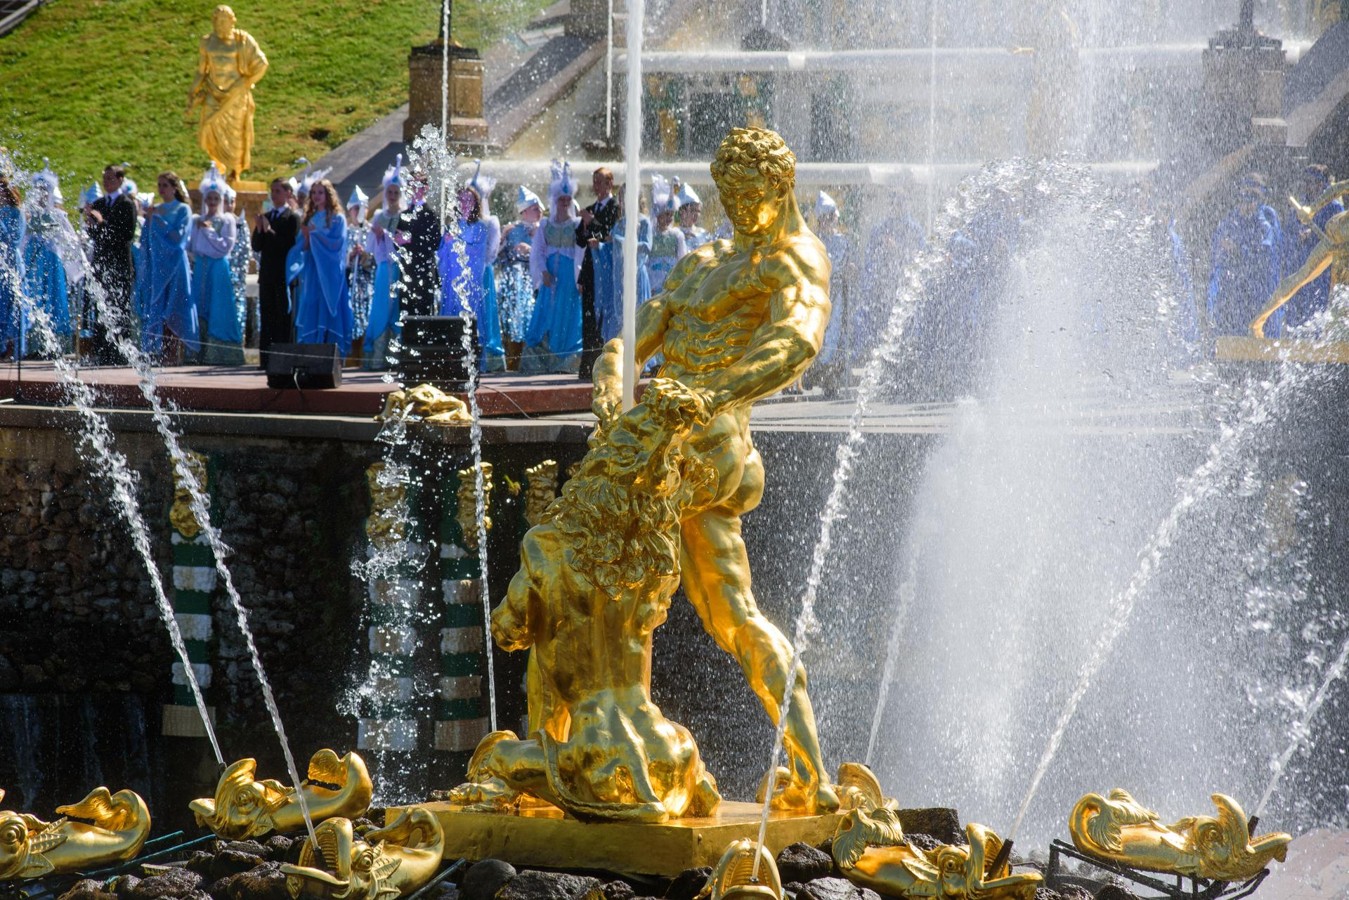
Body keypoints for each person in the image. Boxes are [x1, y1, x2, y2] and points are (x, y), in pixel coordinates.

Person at [589, 127, 837, 812]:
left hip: (713, 441)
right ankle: (811, 772)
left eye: (750, 195)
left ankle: (613, 737)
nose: (738, 208)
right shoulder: (704, 259)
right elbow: (638, 331)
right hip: (663, 432)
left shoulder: (794, 257)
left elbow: (795, 342)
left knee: (620, 562)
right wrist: (611, 377)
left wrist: (709, 393)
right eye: (728, 195)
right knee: (730, 614)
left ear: (780, 189)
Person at [185, 4, 268, 180]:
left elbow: (262, 64)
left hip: (236, 97)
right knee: (209, 131)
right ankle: (217, 167)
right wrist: (192, 92)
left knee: (236, 134)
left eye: (225, 21)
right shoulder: (207, 42)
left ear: (232, 22)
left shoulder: (242, 41)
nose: (221, 25)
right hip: (214, 93)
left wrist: (246, 82)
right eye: (218, 21)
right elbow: (202, 71)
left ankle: (234, 172)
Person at [525, 163, 584, 373]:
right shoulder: (545, 225)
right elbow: (538, 251)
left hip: (569, 277)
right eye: (561, 200)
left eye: (568, 200)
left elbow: (580, 252)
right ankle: (541, 357)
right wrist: (543, 272)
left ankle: (566, 359)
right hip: (551, 276)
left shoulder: (577, 224)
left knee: (567, 313)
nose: (565, 203)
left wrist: (579, 278)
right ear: (555, 200)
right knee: (546, 312)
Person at [1207, 174, 1282, 337]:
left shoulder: (1267, 217)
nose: (1248, 201)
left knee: (1261, 337)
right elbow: (1218, 249)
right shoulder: (1231, 219)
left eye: (1253, 196)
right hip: (1235, 292)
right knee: (1231, 334)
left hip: (1260, 292)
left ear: (1262, 197)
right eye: (1244, 195)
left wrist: (1239, 249)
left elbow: (1266, 251)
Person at [438, 185, 503, 371]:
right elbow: (441, 255)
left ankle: (475, 362)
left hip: (471, 284)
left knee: (472, 320)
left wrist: (456, 243)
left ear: (476, 203)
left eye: (469, 200)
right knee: (452, 318)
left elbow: (477, 254)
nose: (465, 203)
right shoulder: (452, 226)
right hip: (453, 284)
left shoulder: (481, 227)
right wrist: (447, 243)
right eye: (462, 200)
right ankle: (451, 362)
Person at [21, 162, 84, 354]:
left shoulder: (57, 215)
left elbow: (70, 239)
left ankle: (56, 345)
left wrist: (77, 264)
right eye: (38, 190)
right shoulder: (30, 215)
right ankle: (35, 345)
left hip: (52, 259)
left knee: (54, 298)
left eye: (44, 191)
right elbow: (23, 239)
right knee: (34, 298)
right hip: (34, 260)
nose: (41, 195)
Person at [1278, 164, 1344, 333]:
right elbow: (1287, 236)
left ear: (1323, 184)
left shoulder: (1334, 208)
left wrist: (1313, 235)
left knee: (1318, 316)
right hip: (1299, 270)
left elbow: (1338, 238)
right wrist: (1297, 237)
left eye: (1312, 182)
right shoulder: (1300, 208)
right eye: (1305, 182)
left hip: (1322, 274)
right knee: (1295, 319)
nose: (1308, 186)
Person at [84, 164, 138, 363]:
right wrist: (91, 223)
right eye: (105, 179)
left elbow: (126, 234)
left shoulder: (126, 204)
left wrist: (101, 222)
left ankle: (120, 352)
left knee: (119, 307)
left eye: (111, 179)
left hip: (119, 264)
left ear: (120, 180)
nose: (107, 183)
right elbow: (95, 236)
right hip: (102, 263)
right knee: (101, 307)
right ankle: (102, 350)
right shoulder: (99, 203)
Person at [142, 172, 196, 362]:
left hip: (175, 265)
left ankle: (176, 352)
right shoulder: (155, 209)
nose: (161, 189)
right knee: (159, 306)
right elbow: (146, 240)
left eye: (165, 185)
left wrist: (156, 220)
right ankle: (160, 350)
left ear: (174, 188)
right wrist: (148, 220)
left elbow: (178, 238)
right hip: (159, 266)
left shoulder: (183, 210)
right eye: (159, 185)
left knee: (176, 304)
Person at [295, 178, 352, 353]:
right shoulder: (310, 218)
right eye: (314, 193)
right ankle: (312, 349)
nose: (316, 196)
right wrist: (306, 238)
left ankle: (331, 351)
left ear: (328, 195)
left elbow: (337, 244)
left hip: (330, 273)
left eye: (320, 192)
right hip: (313, 271)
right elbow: (303, 248)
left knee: (329, 308)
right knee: (313, 304)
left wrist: (315, 235)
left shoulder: (338, 219)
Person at [190, 173, 242, 364]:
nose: (212, 202)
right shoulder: (198, 219)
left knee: (219, 307)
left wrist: (208, 230)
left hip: (218, 268)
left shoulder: (226, 220)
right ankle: (198, 352)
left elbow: (225, 247)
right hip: (201, 267)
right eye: (209, 198)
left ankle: (221, 353)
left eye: (216, 199)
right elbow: (192, 246)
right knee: (199, 306)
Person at [576, 165, 620, 379]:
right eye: (594, 181)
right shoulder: (592, 207)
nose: (596, 186)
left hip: (606, 269)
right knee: (588, 316)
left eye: (599, 181)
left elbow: (607, 232)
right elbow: (580, 240)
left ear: (610, 183)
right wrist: (586, 225)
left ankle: (603, 364)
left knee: (604, 316)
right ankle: (587, 364)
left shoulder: (615, 207)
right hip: (590, 269)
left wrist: (591, 222)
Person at [252, 177, 299, 367]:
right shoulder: (268, 216)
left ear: (288, 193)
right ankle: (266, 359)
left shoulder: (292, 218)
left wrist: (269, 230)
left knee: (282, 317)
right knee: (267, 317)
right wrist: (259, 229)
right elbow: (257, 246)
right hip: (267, 275)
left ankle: (282, 359)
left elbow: (288, 245)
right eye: (272, 191)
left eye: (278, 191)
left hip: (283, 275)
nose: (274, 195)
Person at [496, 186, 543, 371]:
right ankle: (512, 360)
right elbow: (497, 257)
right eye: (535, 208)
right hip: (514, 284)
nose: (539, 211)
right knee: (512, 321)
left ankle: (528, 361)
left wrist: (530, 250)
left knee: (531, 320)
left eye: (539, 208)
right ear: (524, 212)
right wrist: (501, 238)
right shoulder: (512, 229)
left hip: (536, 282)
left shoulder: (544, 229)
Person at [364, 162, 404, 370]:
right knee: (380, 308)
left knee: (396, 309)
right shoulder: (379, 216)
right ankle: (377, 358)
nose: (392, 195)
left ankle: (394, 357)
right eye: (389, 191)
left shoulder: (404, 215)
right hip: (382, 268)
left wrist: (387, 236)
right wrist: (376, 234)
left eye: (396, 192)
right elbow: (370, 247)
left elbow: (404, 244)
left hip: (397, 269)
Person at [606, 194, 651, 343]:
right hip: (621, 277)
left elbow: (646, 246)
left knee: (639, 319)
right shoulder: (619, 224)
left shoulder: (644, 221)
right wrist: (598, 246)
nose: (623, 201)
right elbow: (610, 247)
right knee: (621, 318)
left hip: (637, 275)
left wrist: (621, 240)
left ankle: (641, 360)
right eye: (621, 198)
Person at [399, 173, 442, 317]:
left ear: (425, 188)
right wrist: (397, 241)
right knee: (406, 310)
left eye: (417, 185)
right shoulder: (403, 214)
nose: (413, 188)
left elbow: (435, 243)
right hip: (407, 270)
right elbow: (398, 243)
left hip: (424, 270)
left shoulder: (430, 214)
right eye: (411, 185)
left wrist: (411, 239)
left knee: (423, 311)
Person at [223, 185, 253, 346]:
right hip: (221, 271)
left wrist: (235, 269)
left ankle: (237, 342)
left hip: (236, 274)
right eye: (226, 201)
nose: (229, 204)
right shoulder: (217, 221)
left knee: (237, 307)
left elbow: (244, 249)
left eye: (232, 201)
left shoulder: (241, 224)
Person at [345, 185, 373, 351]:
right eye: (355, 208)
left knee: (367, 317)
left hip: (368, 285)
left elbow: (377, 258)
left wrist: (365, 256)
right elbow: (342, 258)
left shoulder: (372, 231)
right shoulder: (347, 232)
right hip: (350, 285)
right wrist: (351, 255)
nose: (358, 211)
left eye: (361, 208)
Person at [648, 175, 687, 294]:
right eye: (666, 215)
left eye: (671, 215)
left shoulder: (677, 236)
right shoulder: (651, 235)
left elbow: (682, 259)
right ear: (658, 215)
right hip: (653, 282)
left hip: (671, 281)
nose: (669, 218)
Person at [0, 173, 24, 359]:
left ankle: (9, 347)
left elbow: (14, 240)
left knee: (9, 305)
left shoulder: (16, 213)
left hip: (9, 265)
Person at [675, 180, 711, 252]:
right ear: (681, 211)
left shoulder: (703, 234)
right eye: (692, 210)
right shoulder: (674, 235)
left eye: (698, 211)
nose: (696, 214)